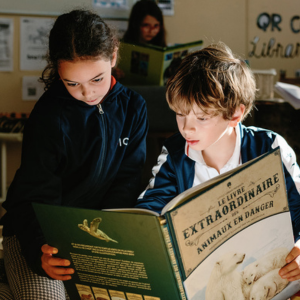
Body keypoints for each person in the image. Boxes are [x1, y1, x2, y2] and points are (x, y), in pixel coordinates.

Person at [1, 9, 148, 300]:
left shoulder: (134, 107)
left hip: (95, 234)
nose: (87, 94)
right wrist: (39, 251)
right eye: (72, 84)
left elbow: (127, 183)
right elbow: (35, 197)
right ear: (58, 71)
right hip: (36, 231)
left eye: (97, 79)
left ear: (114, 56)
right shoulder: (49, 116)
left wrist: (111, 245)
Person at [136, 42, 300, 282]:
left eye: (201, 117)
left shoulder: (270, 147)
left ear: (235, 114)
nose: (187, 127)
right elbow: (148, 215)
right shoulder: (175, 155)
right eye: (180, 114)